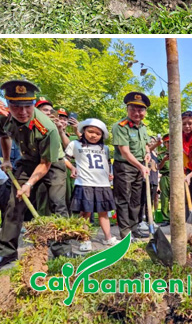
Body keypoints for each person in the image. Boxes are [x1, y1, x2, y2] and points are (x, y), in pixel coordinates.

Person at [0, 80, 73, 267]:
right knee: (13, 204)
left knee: (57, 203)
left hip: (52, 162)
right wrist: (7, 159)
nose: (23, 112)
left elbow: (45, 163)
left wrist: (29, 184)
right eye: (16, 106)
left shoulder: (47, 128)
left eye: (27, 106)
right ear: (8, 104)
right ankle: (7, 253)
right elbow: (4, 136)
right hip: (27, 160)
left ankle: (63, 251)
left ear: (33, 104)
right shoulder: (4, 118)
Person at [65, 119, 118, 251]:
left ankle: (108, 237)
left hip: (103, 184)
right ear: (83, 131)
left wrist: (110, 174)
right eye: (90, 131)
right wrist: (72, 168)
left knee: (103, 212)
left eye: (97, 133)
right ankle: (84, 239)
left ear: (102, 136)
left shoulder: (104, 148)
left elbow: (107, 163)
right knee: (85, 213)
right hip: (85, 183)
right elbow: (64, 158)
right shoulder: (75, 144)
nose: (93, 135)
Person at [112, 91, 151, 240]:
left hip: (139, 166)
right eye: (133, 109)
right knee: (123, 199)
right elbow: (125, 152)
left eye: (140, 110)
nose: (136, 113)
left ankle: (134, 227)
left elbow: (145, 145)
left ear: (145, 111)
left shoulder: (143, 127)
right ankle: (125, 231)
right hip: (124, 167)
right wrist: (141, 167)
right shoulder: (120, 126)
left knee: (136, 199)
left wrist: (147, 153)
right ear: (127, 109)